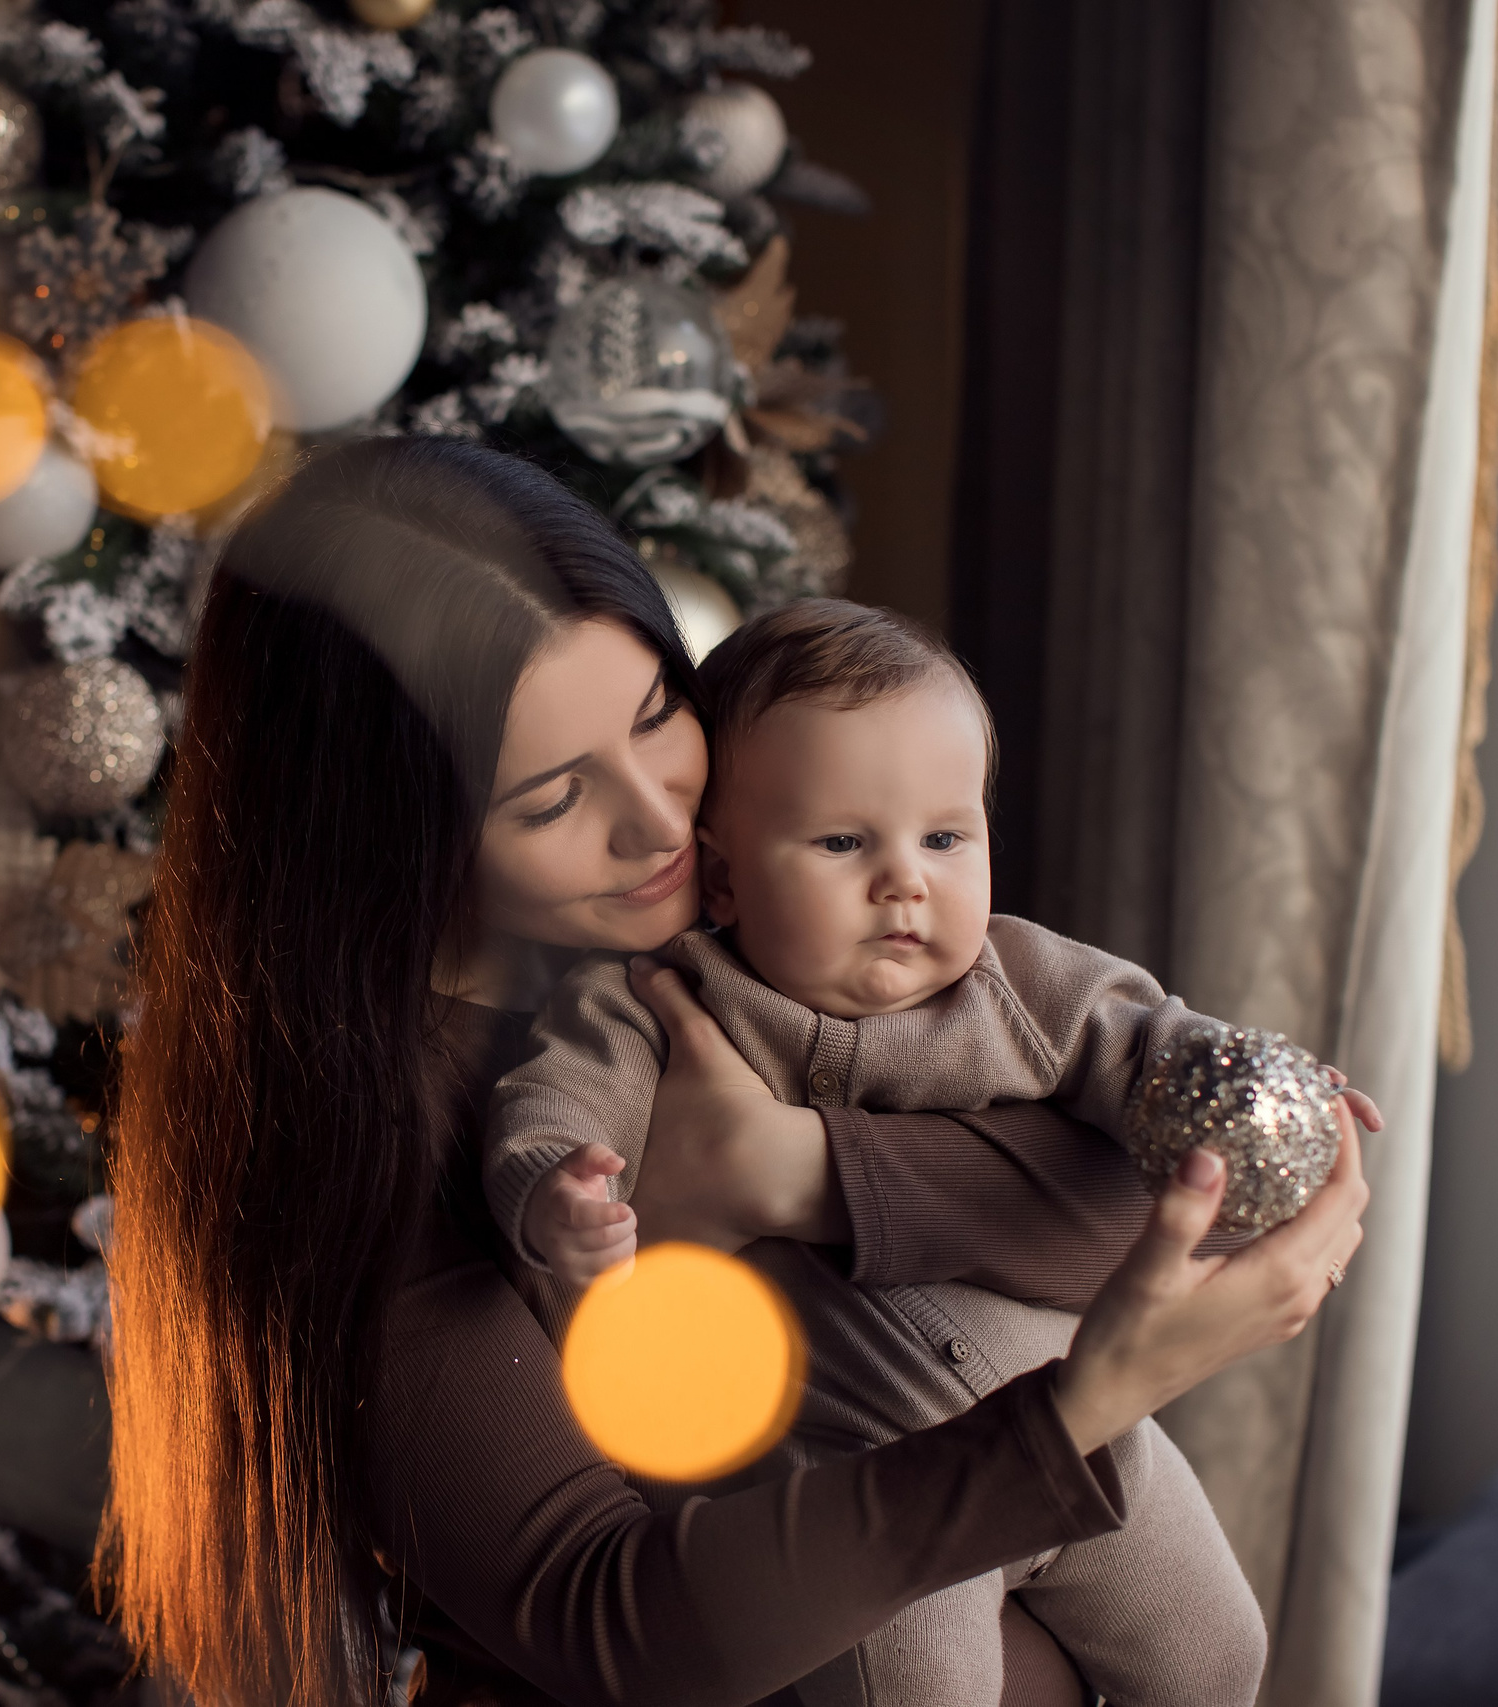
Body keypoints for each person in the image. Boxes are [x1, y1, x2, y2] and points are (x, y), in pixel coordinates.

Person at [103, 437, 1369, 1707]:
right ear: (397, 837)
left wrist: (793, 1176)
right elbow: (617, 1620)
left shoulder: (765, 935)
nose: (660, 823)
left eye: (659, 716)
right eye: (551, 799)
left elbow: (1123, 1201)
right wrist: (1084, 1403)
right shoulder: (369, 1141)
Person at [481, 599, 1385, 1706]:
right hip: (870, 1478)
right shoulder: (663, 999)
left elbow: (1155, 1048)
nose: (904, 880)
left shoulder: (1023, 985)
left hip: (1087, 1425)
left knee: (1215, 1656)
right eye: (841, 842)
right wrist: (555, 1192)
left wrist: (1266, 1091)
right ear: (722, 879)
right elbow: (557, 1099)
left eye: (945, 838)